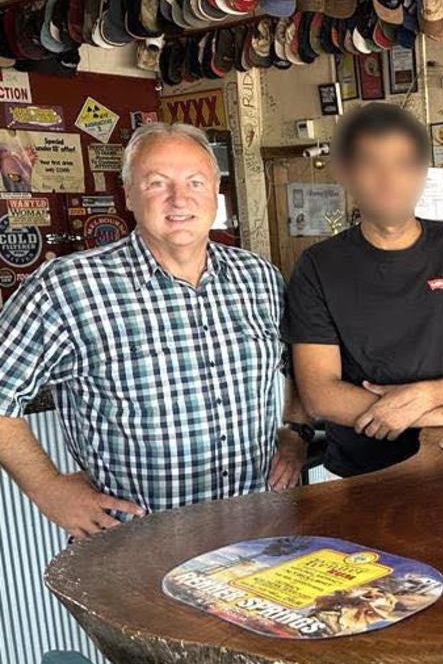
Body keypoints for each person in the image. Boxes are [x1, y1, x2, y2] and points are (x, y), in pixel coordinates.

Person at [0, 122, 307, 539]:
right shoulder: (68, 286)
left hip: (253, 534)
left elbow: (294, 366)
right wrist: (47, 488)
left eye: (195, 182)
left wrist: (293, 433)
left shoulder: (258, 278)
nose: (180, 199)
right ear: (128, 194)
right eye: (157, 183)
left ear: (215, 188)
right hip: (136, 546)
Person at [285, 103, 443, 478]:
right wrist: (441, 413)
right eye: (371, 163)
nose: (389, 179)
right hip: (363, 473)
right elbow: (319, 393)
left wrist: (425, 395)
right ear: (345, 172)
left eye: (404, 163)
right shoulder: (317, 266)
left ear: (422, 172)